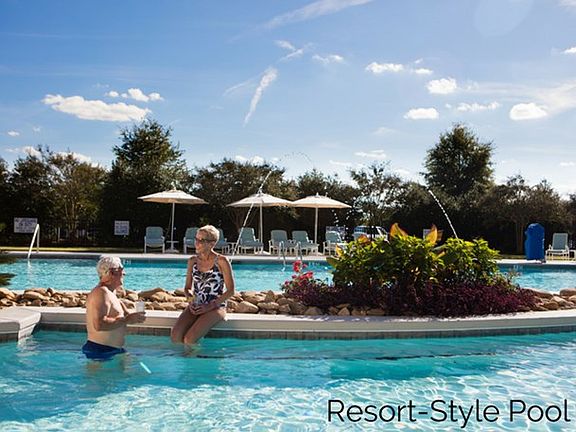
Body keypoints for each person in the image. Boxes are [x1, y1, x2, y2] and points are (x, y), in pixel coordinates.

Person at [171, 225, 235, 345]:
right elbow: (187, 288)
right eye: (196, 239)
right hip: (197, 305)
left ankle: (197, 356)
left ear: (212, 244)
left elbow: (231, 291)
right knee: (175, 335)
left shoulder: (221, 261)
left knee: (189, 339)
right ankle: (185, 356)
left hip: (216, 307)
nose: (196, 243)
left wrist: (210, 306)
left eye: (201, 240)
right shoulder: (192, 261)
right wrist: (191, 302)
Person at [82, 256, 146, 360]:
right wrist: (127, 319)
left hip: (110, 351)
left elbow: (122, 318)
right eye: (121, 269)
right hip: (100, 352)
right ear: (112, 272)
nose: (124, 273)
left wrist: (133, 317)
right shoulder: (101, 293)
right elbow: (99, 325)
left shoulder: (111, 293)